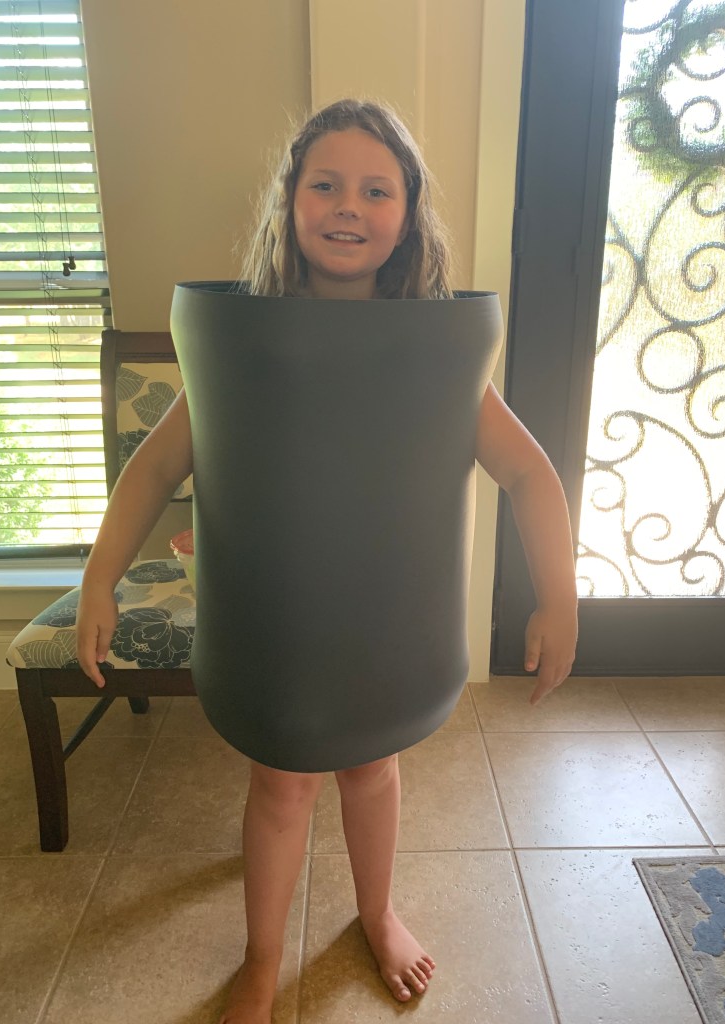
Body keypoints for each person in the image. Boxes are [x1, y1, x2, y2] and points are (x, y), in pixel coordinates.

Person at [76, 98, 578, 1024]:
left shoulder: (437, 351)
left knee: (372, 769)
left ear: (409, 213)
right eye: (327, 185)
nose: (350, 205)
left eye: (377, 190)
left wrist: (558, 597)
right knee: (281, 784)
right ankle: (262, 958)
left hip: (384, 623)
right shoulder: (243, 342)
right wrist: (97, 579)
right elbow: (155, 466)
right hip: (278, 624)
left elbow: (526, 471)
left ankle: (376, 913)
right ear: (291, 200)